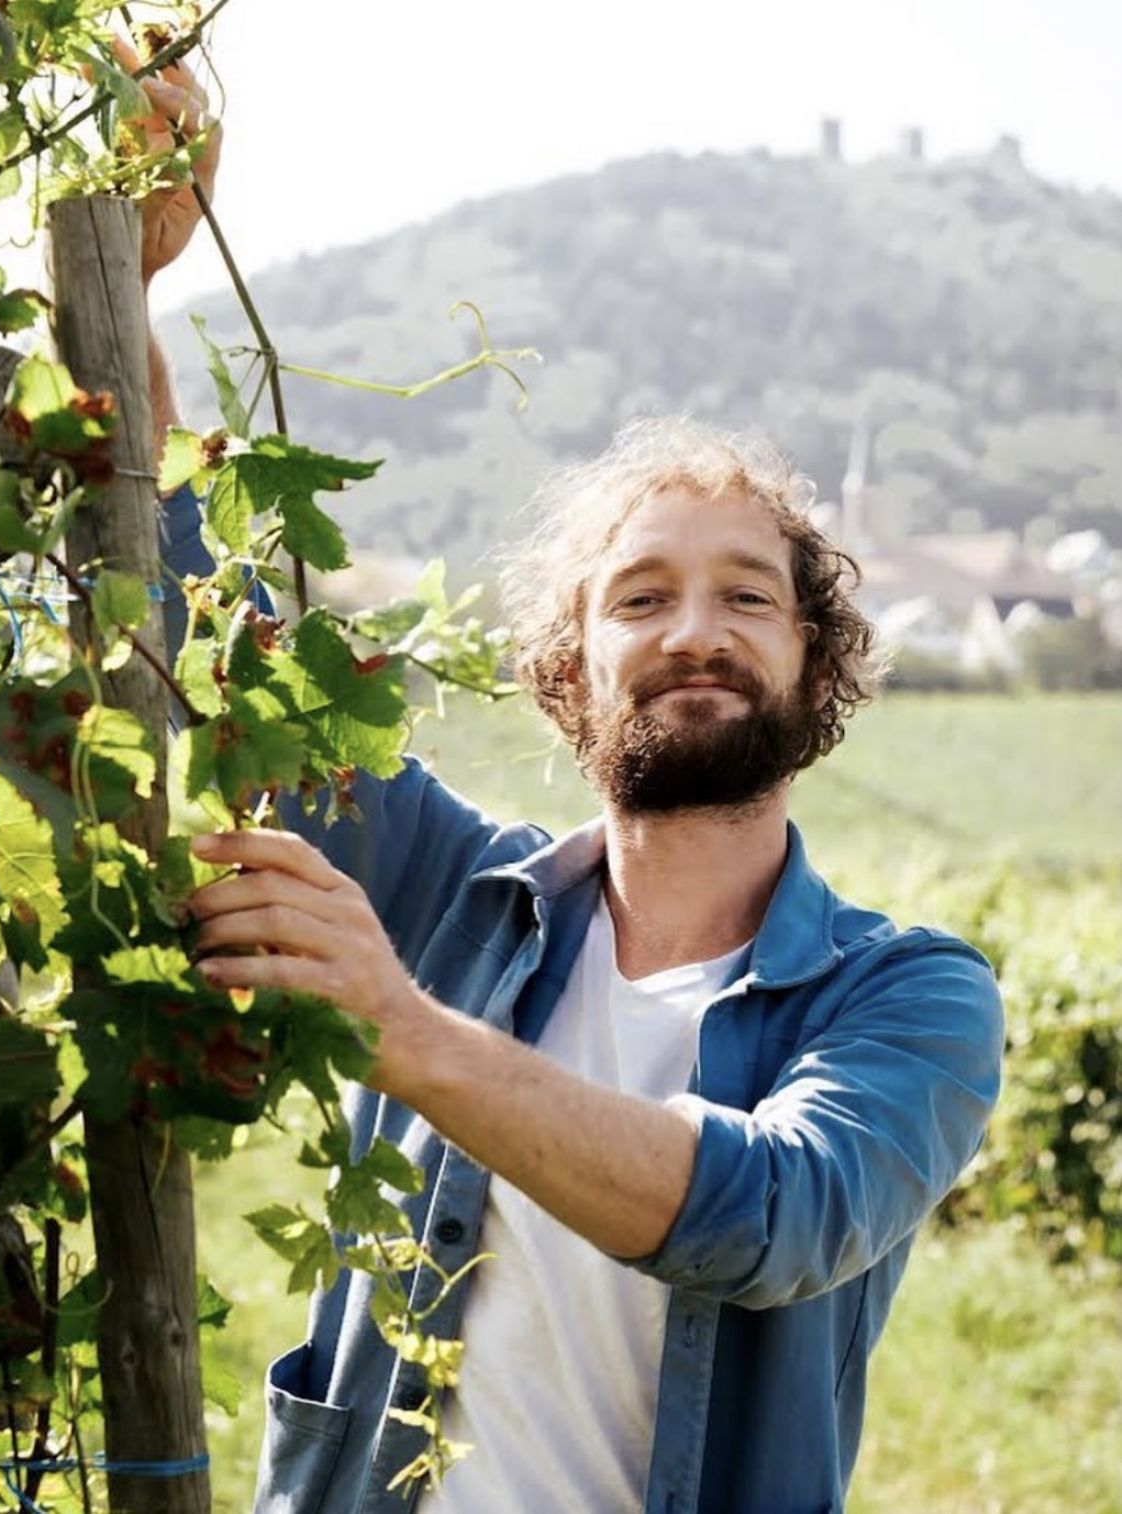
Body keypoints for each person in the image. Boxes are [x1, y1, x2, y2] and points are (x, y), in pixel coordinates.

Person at [135, 58, 1004, 1514]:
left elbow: (771, 1215)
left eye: (746, 596)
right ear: (566, 667)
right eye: (639, 597)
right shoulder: (437, 889)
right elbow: (197, 602)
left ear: (814, 662)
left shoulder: (908, 998)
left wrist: (403, 1031)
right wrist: (131, 279)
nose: (692, 632)